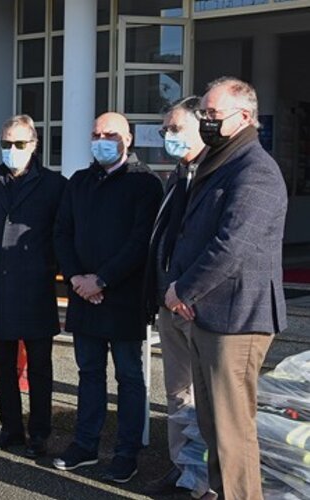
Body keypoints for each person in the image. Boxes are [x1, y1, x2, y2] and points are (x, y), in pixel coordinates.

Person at [165, 77, 288, 500]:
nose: (206, 121)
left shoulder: (255, 171)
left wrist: (184, 290)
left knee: (232, 432)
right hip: (210, 315)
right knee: (213, 427)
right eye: (204, 114)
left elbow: (232, 246)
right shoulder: (221, 162)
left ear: (244, 117)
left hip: (237, 319)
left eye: (213, 114)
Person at [52, 112, 163, 482]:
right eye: (96, 134)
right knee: (88, 373)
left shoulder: (145, 183)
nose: (101, 141)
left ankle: (127, 452)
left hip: (124, 298)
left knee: (129, 377)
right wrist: (77, 279)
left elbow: (140, 242)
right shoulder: (79, 182)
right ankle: (85, 445)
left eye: (110, 134)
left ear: (127, 139)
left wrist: (102, 280)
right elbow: (62, 233)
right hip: (84, 296)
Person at [0, 115, 65, 458]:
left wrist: (49, 268)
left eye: (19, 143)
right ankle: (10, 427)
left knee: (39, 365)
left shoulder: (55, 185)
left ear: (34, 144)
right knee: (2, 362)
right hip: (0, 286)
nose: (11, 149)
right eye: (6, 143)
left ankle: (40, 432)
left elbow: (61, 233)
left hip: (35, 286)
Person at [142, 96, 210, 495]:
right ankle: (182, 467)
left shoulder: (215, 175)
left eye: (175, 128)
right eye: (165, 129)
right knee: (177, 393)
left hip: (198, 305)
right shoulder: (177, 175)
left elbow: (220, 245)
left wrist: (187, 291)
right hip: (168, 303)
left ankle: (206, 478)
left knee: (207, 397)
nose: (168, 136)